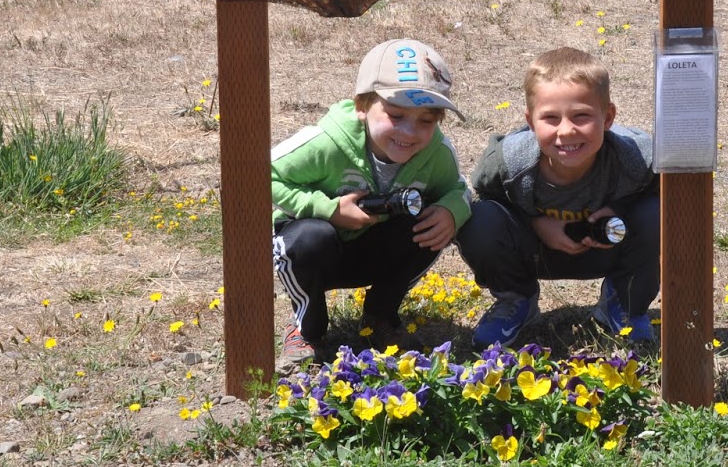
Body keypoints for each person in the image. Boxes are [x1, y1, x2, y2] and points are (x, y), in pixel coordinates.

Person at [271, 38, 471, 366]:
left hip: (374, 252)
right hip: (314, 252)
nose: (410, 132)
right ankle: (306, 330)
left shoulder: (437, 152)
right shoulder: (326, 142)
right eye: (396, 114)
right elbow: (257, 176)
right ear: (362, 106)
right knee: (310, 237)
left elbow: (459, 189)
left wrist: (452, 210)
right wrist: (328, 209)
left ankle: (380, 317)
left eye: (427, 120)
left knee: (429, 221)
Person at [458, 46, 659, 348]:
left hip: (609, 246)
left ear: (608, 117)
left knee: (659, 211)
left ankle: (625, 302)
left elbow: (664, 192)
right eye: (550, 118)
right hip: (536, 252)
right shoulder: (507, 161)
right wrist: (536, 223)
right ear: (530, 121)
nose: (566, 131)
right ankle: (517, 299)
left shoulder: (637, 158)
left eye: (581, 116)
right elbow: (487, 195)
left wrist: (617, 208)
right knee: (479, 220)